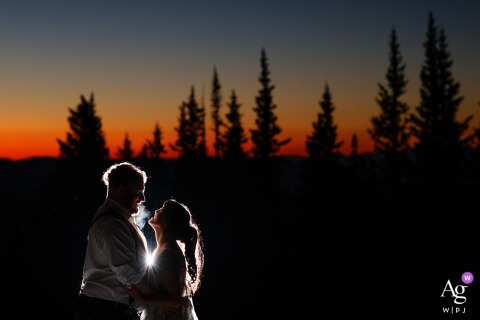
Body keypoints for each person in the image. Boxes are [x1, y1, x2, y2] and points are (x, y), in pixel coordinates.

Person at [75, 162, 181, 320]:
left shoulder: (121, 221)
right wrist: (163, 300)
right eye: (138, 192)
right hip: (104, 311)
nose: (143, 198)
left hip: (111, 309)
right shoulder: (112, 224)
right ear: (120, 190)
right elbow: (130, 274)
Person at [124, 198, 205, 320]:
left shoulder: (167, 255)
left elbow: (175, 301)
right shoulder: (166, 249)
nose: (157, 210)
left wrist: (141, 298)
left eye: (162, 209)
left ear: (168, 221)